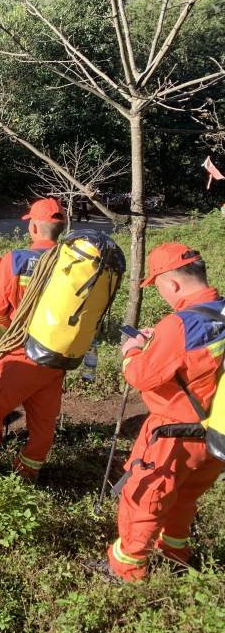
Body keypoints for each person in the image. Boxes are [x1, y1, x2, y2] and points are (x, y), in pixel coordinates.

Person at [107, 244, 225, 581]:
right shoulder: (220, 311)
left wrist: (132, 351)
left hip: (172, 436)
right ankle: (175, 555)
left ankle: (126, 572)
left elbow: (141, 376)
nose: (161, 295)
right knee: (185, 497)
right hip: (215, 433)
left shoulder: (178, 325)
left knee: (143, 499)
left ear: (172, 284)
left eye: (158, 287)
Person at [0, 198, 66, 481]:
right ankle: (27, 473)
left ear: (34, 227)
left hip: (22, 353)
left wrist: (12, 334)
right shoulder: (73, 263)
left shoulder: (17, 259)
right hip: (57, 356)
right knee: (43, 421)